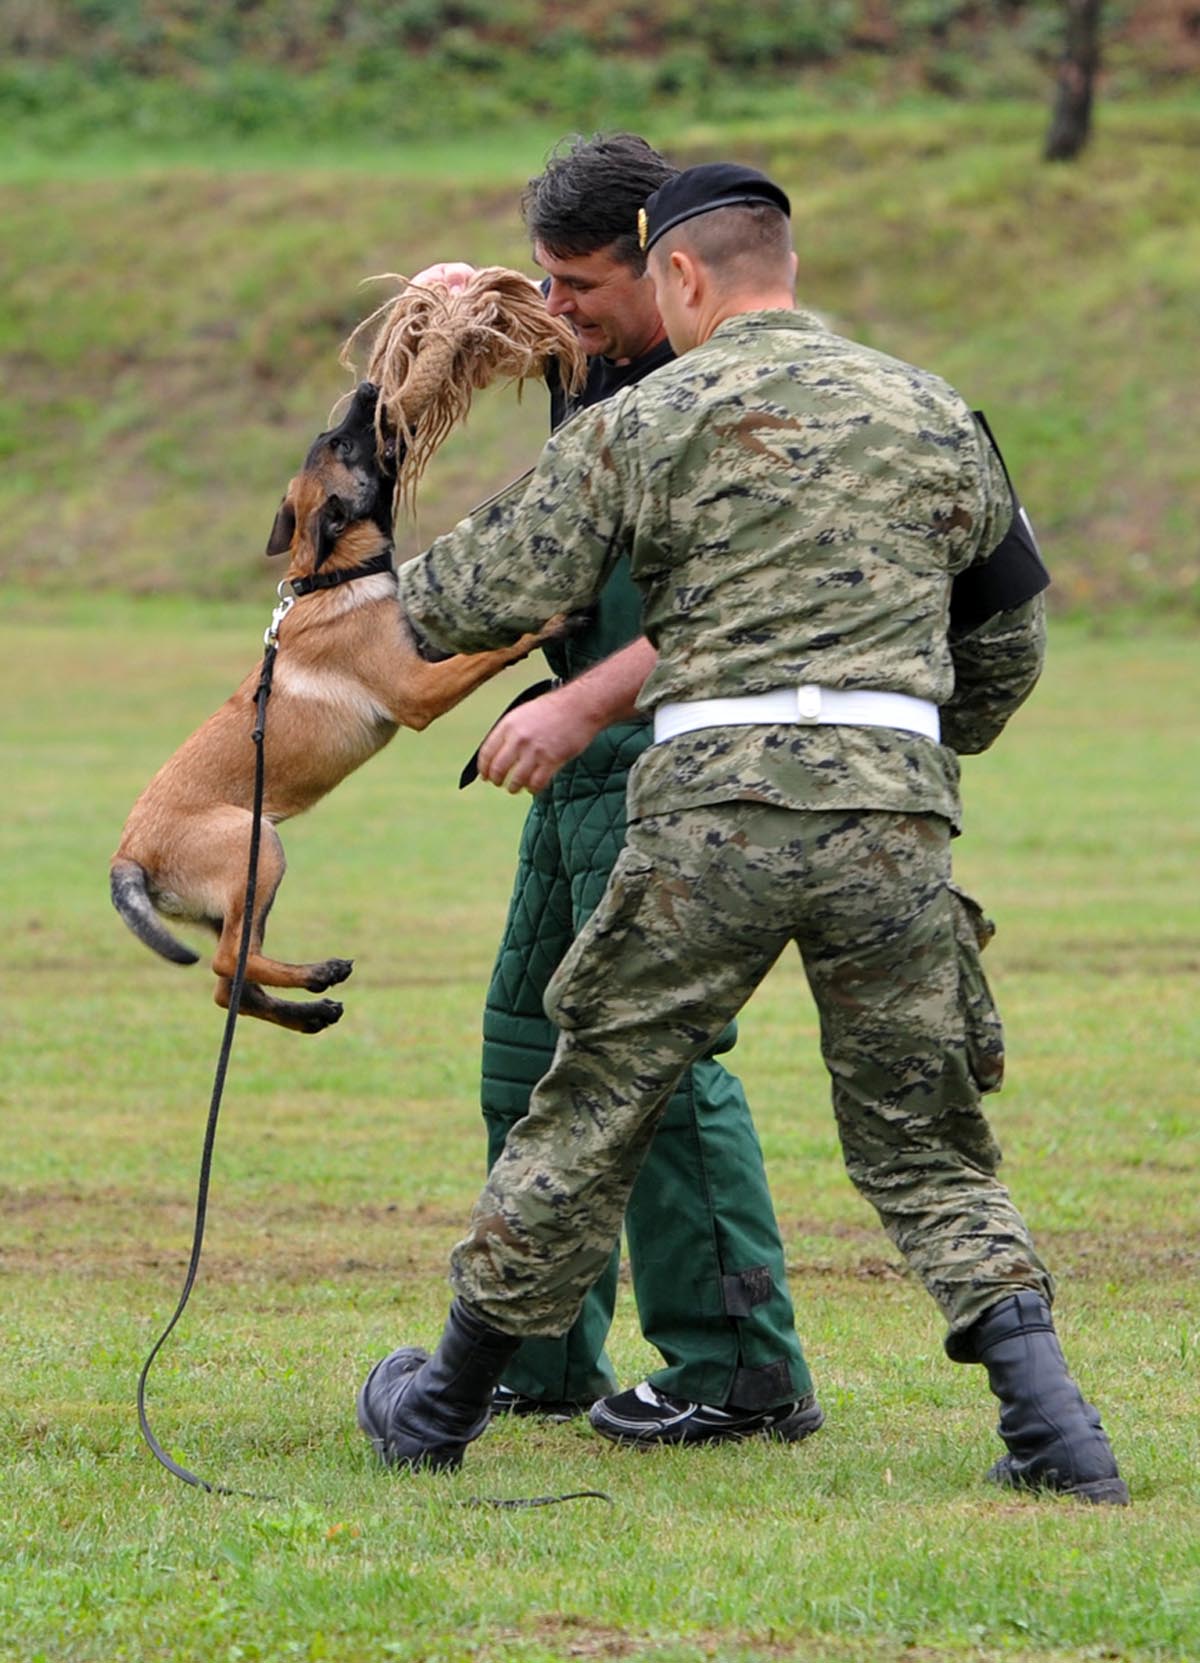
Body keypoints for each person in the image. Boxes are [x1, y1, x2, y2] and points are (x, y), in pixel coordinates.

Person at [361, 162, 1127, 1505]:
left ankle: (441, 1402)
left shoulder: (656, 413)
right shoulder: (936, 408)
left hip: (712, 801)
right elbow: (1009, 634)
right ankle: (1056, 1430)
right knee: (920, 1137)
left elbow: (489, 588)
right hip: (893, 807)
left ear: (688, 276)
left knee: (598, 1094)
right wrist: (914, 751)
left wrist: (353, 555)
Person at [412, 133, 822, 1447]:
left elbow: (749, 602)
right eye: (550, 285)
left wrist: (587, 699)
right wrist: (445, 305)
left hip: (676, 756)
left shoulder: (741, 389)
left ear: (673, 266)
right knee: (529, 1049)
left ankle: (742, 1368)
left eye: (580, 285)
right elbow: (471, 338)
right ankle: (529, 1354)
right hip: (580, 761)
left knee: (655, 1064)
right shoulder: (595, 344)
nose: (562, 312)